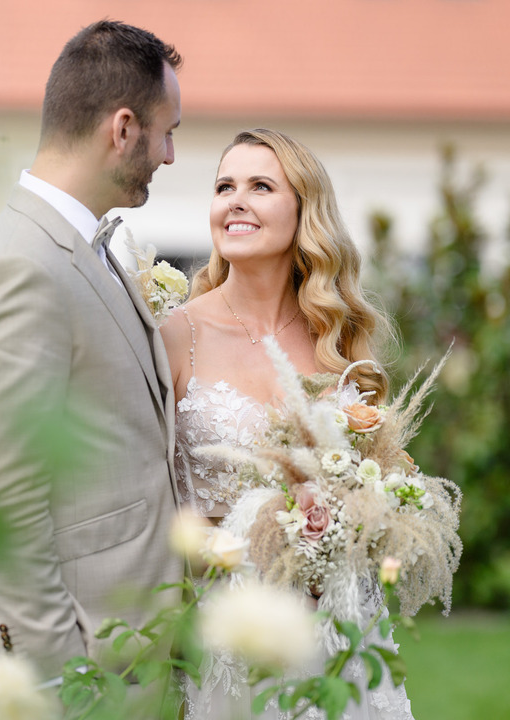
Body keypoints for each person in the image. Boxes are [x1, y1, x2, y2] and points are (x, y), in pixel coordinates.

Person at [0, 19, 185, 706]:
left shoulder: (80, 246)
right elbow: (3, 493)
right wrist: (58, 677)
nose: (170, 155)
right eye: (166, 131)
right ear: (122, 128)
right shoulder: (23, 268)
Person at [161, 128, 415, 719]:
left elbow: (381, 480)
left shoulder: (337, 337)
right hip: (227, 630)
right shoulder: (176, 335)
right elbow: (143, 494)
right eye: (225, 185)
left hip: (338, 630)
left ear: (304, 210)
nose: (235, 200)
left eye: (260, 186)